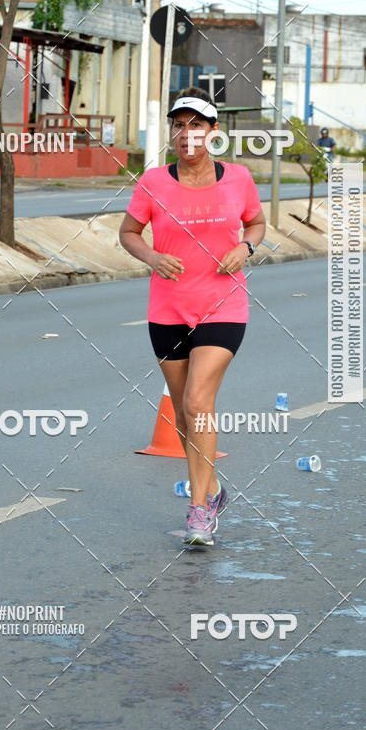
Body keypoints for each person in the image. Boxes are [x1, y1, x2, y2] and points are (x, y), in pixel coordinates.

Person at [119, 87, 266, 546]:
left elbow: (256, 222)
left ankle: (198, 510)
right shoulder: (153, 182)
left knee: (199, 404)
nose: (187, 134)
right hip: (167, 309)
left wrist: (246, 247)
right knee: (184, 414)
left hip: (223, 305)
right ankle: (214, 489)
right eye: (179, 125)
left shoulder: (238, 178)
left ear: (213, 132)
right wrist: (151, 257)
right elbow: (128, 232)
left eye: (196, 125)